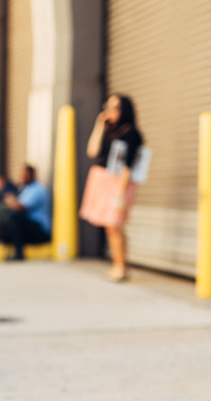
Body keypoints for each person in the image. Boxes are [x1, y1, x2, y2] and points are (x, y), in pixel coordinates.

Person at [80, 94, 143, 282]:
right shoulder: (108, 130)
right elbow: (92, 151)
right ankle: (119, 265)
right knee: (110, 227)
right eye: (108, 106)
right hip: (102, 180)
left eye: (115, 107)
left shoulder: (132, 134)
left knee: (115, 225)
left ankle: (121, 266)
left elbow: (128, 166)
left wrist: (120, 193)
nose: (110, 110)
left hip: (118, 184)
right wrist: (100, 124)